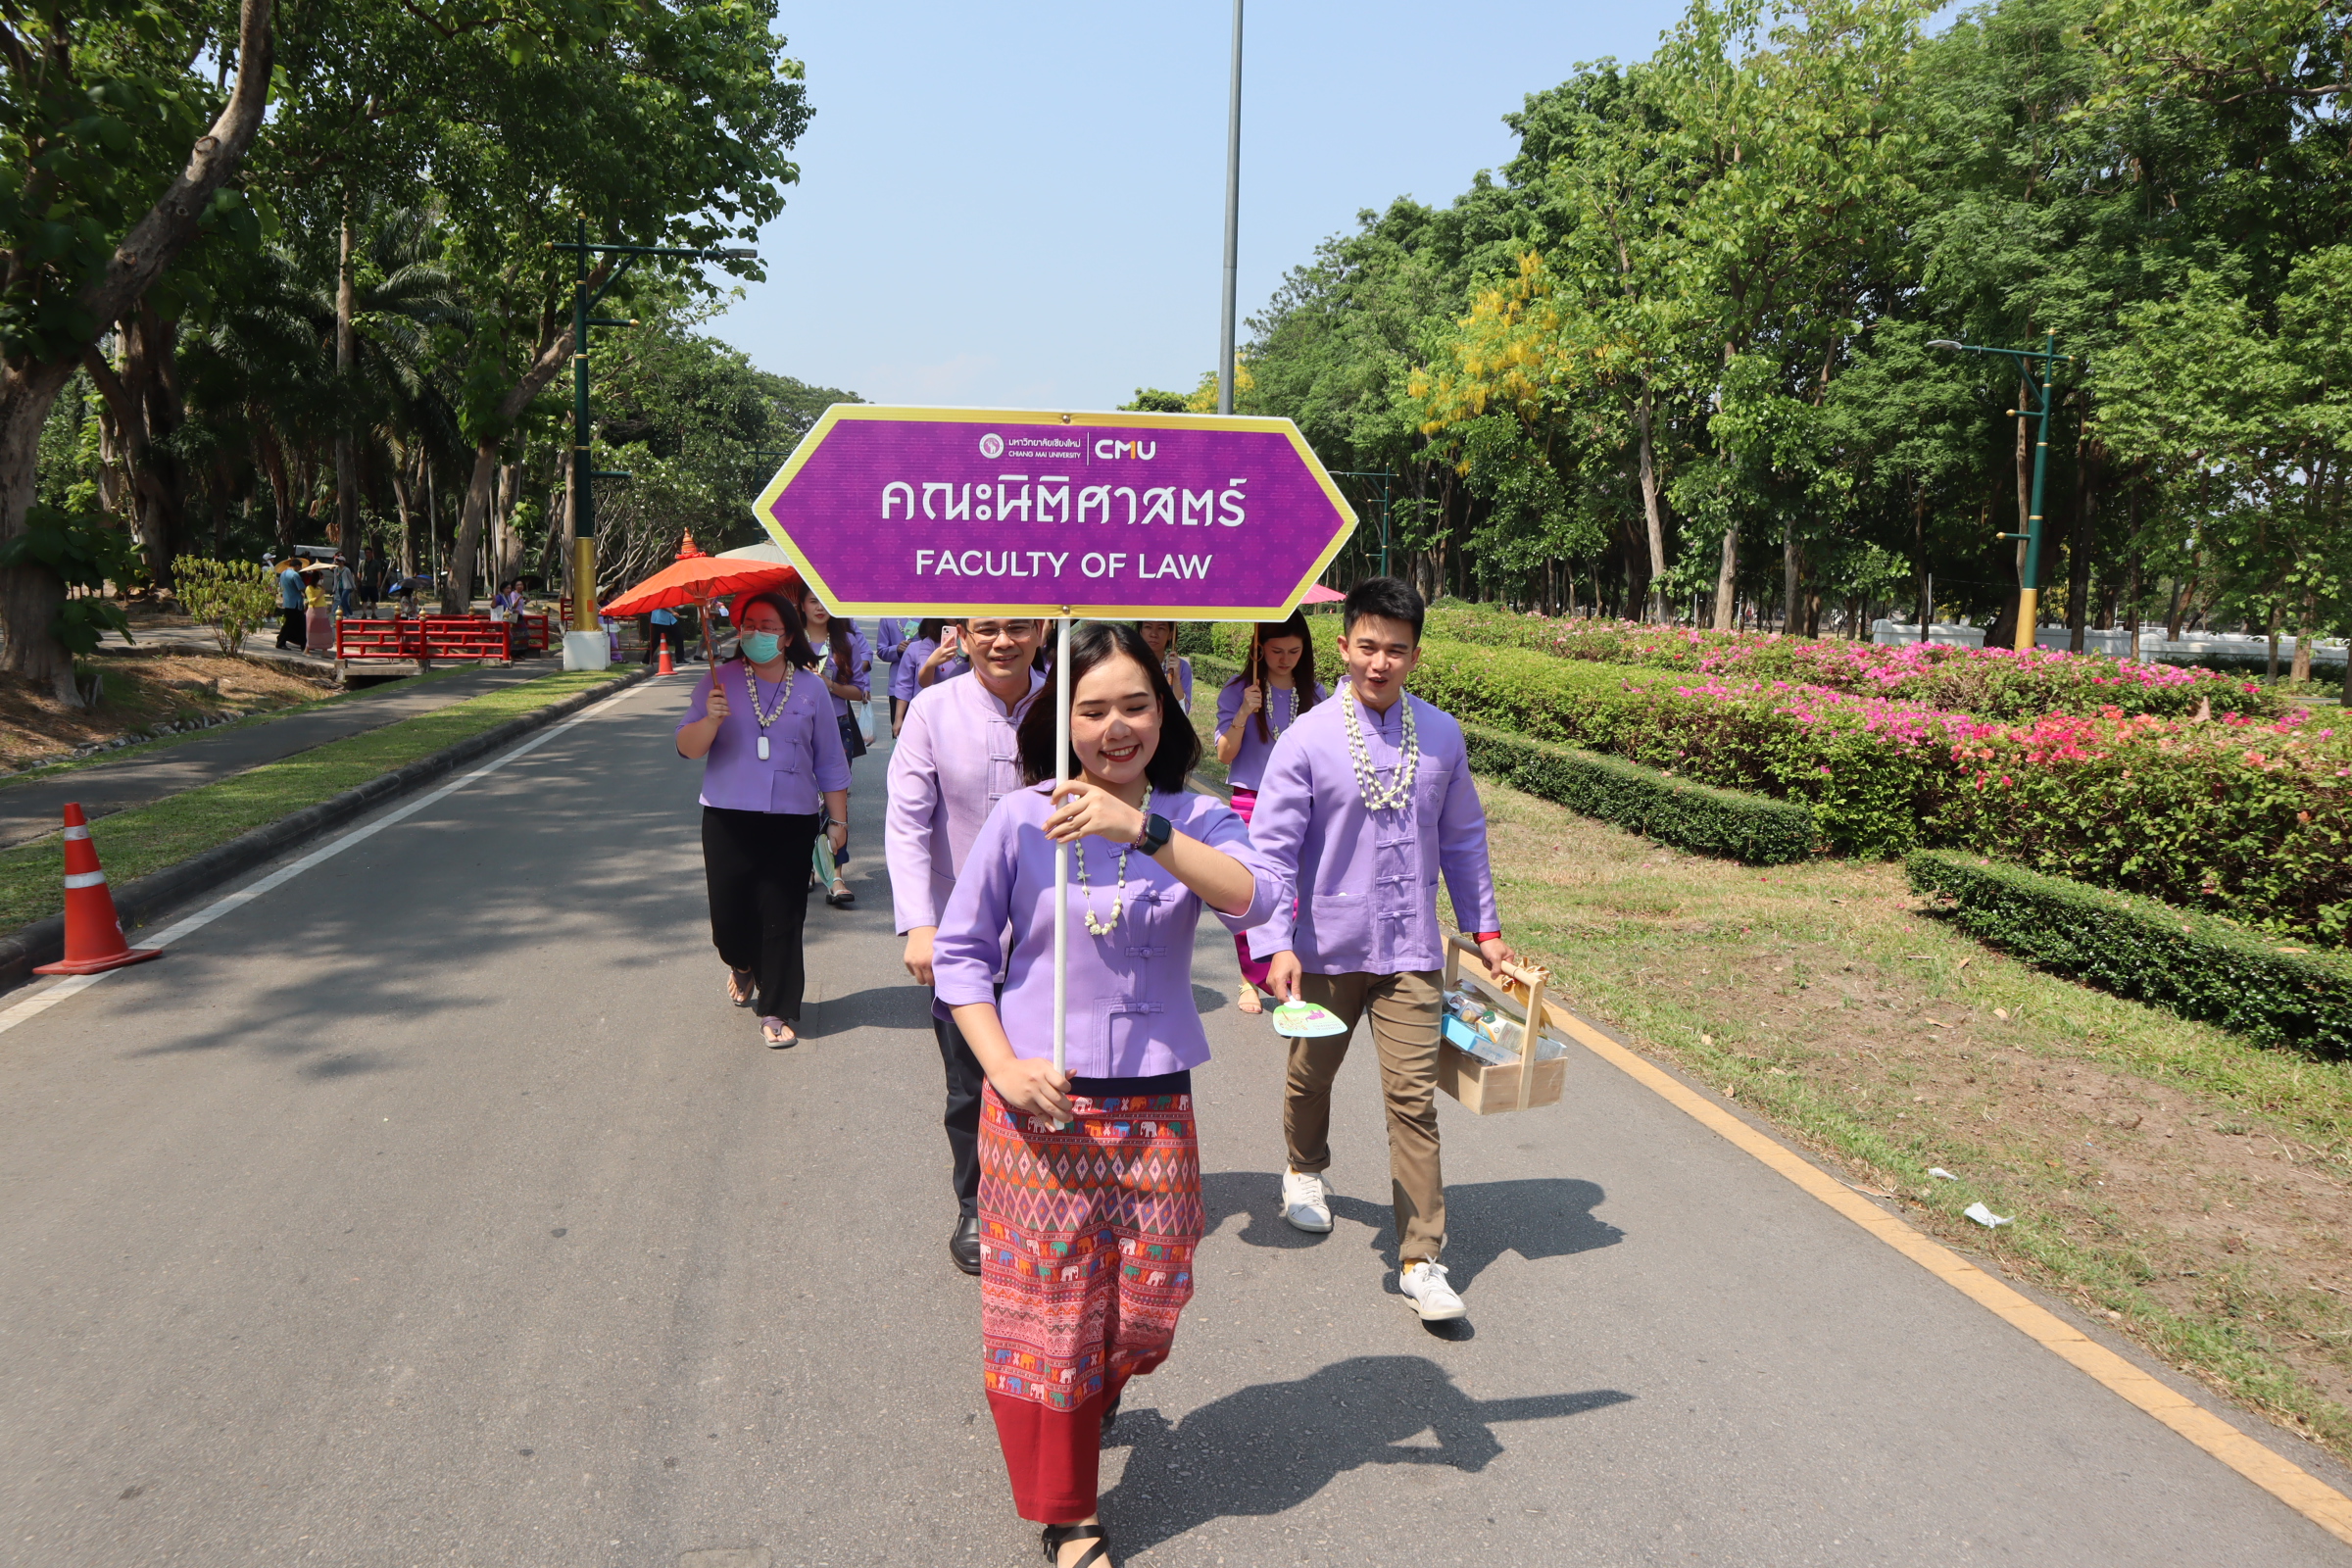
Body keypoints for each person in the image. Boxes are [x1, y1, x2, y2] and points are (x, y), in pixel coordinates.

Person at [931, 621, 1277, 1568]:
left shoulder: (1193, 819)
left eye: (1136, 706)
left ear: (1163, 712)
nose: (1115, 728)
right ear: (1062, 718)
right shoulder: (1019, 819)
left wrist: (1146, 828)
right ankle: (1069, 1511)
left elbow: (1257, 898)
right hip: (1038, 1116)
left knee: (1147, 1307)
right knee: (1051, 1320)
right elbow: (961, 962)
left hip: (1155, 1107)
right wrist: (1002, 1066)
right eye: (1093, 710)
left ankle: (1095, 1385)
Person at [1250, 577, 1515, 1324]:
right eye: (1368, 646)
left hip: (1411, 949)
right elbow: (1272, 852)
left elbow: (1462, 838)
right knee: (1311, 1077)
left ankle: (1422, 1259)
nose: (1380, 662)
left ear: (1415, 656)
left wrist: (1485, 933)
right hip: (1324, 947)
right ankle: (1304, 1168)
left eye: (1396, 650)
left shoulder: (1442, 735)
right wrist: (1275, 944)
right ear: (1344, 647)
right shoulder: (1305, 739)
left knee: (1413, 1101)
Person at [886, 616, 1051, 1275]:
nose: (1002, 642)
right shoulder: (932, 709)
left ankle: (1050, 1194)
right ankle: (978, 1204)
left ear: (1042, 629)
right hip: (960, 935)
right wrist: (920, 922)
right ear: (962, 632)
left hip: (1051, 930)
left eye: (1017, 627)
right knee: (969, 1084)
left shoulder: (1067, 704)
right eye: (987, 629)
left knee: (1052, 1069)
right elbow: (905, 821)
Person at [674, 592, 851, 1049]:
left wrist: (838, 821)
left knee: (783, 917)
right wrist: (710, 720)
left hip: (791, 821)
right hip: (727, 819)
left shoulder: (811, 688)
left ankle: (778, 1007)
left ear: (788, 635)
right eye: (749, 624)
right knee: (728, 922)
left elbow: (830, 761)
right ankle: (741, 962)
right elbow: (688, 748)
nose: (756, 634)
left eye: (768, 626)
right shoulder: (718, 681)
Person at [1211, 612, 1325, 1014]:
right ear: (1260, 648)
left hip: (1301, 805)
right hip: (1250, 800)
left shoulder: (1317, 695)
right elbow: (1224, 753)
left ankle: (1285, 972)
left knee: (1294, 894)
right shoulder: (1239, 690)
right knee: (1252, 891)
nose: (1285, 658)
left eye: (1294, 651)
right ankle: (1248, 978)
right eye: (1276, 651)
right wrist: (1244, 713)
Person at [800, 586, 871, 908]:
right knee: (801, 802)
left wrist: (828, 684)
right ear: (801, 604)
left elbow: (861, 692)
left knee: (835, 803)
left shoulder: (847, 643)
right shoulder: (789, 640)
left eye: (826, 600)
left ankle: (836, 876)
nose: (819, 607)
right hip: (796, 729)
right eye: (813, 600)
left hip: (837, 727)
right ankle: (806, 866)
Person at [889, 617, 949, 736]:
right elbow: (904, 684)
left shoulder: (966, 649)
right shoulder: (916, 647)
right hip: (923, 714)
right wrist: (899, 718)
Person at [1136, 621, 1192, 709]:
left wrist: (1176, 678)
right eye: (1148, 627)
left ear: (1170, 635)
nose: (1153, 634)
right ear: (1140, 631)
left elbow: (1184, 711)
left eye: (1161, 628)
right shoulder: (1130, 664)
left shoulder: (1182, 667)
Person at [274, 559, 305, 650]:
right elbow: (301, 588)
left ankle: (300, 642)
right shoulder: (295, 575)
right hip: (295, 602)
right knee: (294, 624)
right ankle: (281, 641)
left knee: (291, 623)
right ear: (297, 566)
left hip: (287, 601)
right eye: (300, 567)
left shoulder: (283, 573)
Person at [357, 545, 384, 612]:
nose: (367, 554)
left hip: (373, 584)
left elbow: (379, 572)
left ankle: (373, 613)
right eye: (366, 552)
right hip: (364, 584)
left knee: (373, 600)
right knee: (364, 600)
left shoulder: (376, 563)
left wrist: (379, 581)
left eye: (369, 552)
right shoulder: (362, 563)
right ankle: (364, 613)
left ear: (372, 553)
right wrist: (359, 580)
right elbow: (359, 572)